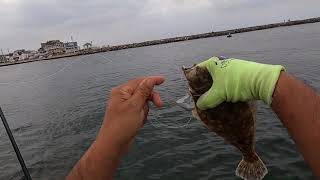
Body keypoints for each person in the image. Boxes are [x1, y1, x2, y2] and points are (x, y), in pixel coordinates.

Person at [66, 57, 320, 180]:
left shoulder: (199, 95)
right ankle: (249, 153)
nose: (191, 73)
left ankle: (248, 154)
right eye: (193, 73)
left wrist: (108, 140)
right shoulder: (203, 93)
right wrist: (270, 81)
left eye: (194, 74)